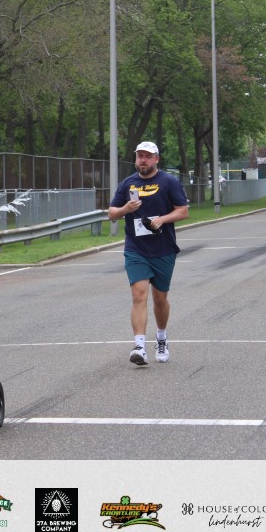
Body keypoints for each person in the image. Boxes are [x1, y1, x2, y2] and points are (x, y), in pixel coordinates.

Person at [108, 141, 189, 366]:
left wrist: (162, 219)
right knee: (139, 294)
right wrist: (125, 209)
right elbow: (112, 213)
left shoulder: (169, 182)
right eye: (140, 156)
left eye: (147, 156)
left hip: (163, 249)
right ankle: (139, 347)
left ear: (156, 159)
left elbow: (183, 211)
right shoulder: (127, 184)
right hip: (136, 249)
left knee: (160, 299)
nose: (143, 160)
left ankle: (161, 338)